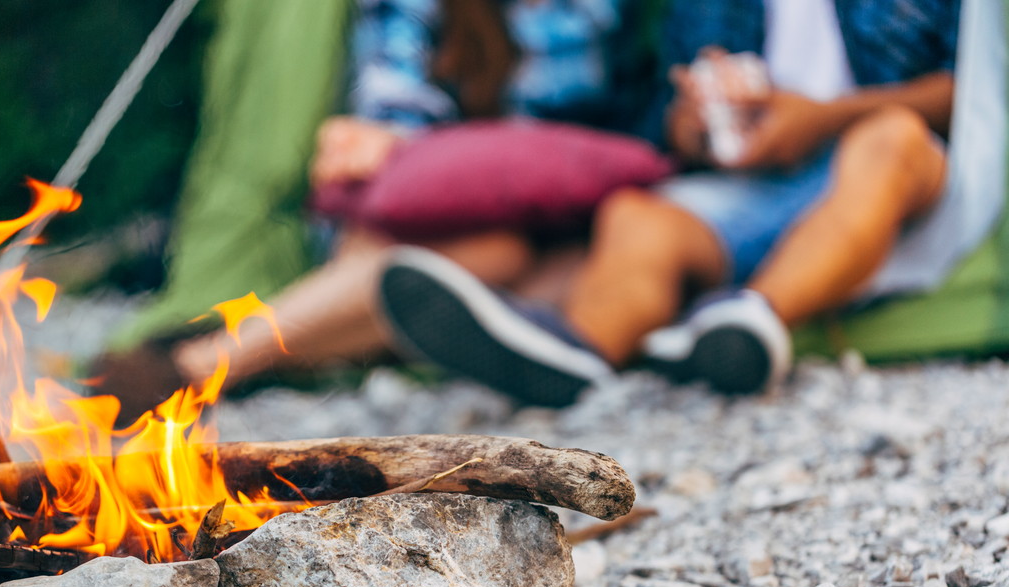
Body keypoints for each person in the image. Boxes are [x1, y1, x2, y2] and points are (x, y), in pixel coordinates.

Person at [374, 0, 959, 404]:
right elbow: (667, 113)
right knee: (635, 216)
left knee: (889, 140)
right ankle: (575, 350)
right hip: (758, 180)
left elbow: (972, 90)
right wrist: (695, 125)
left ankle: (754, 316)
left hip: (891, 158)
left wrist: (820, 120)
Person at [162, 0, 659, 415]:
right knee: (492, 248)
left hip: (553, 229)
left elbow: (623, 119)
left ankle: (227, 362)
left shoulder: (599, 12)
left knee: (561, 256)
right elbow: (394, 109)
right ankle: (219, 361)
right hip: (417, 227)